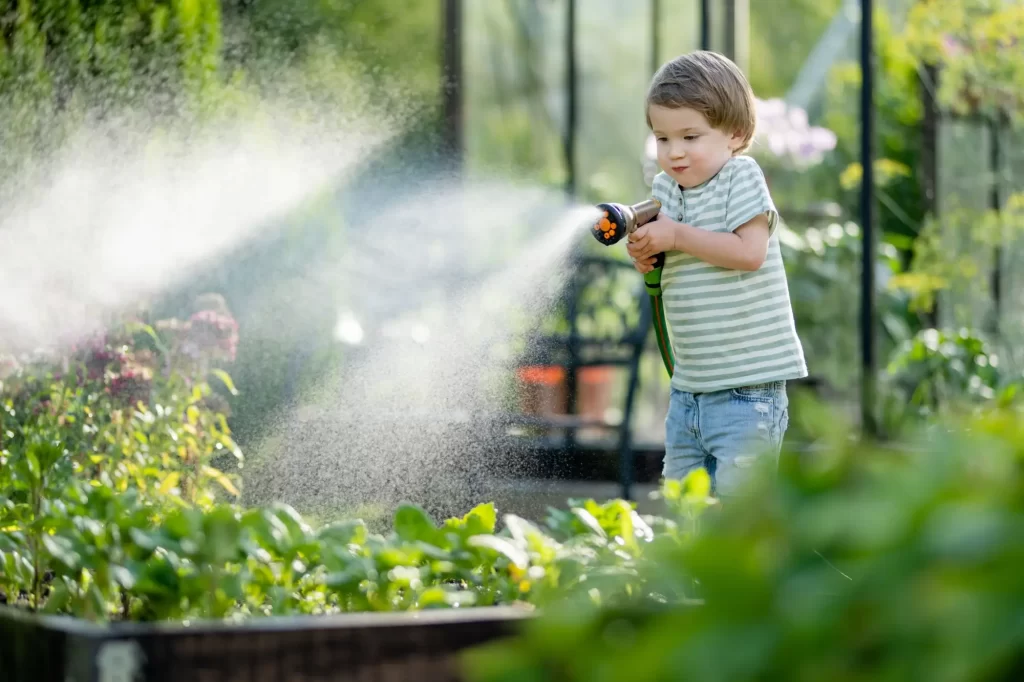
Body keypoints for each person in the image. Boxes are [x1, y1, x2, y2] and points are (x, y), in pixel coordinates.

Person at [626, 50, 807, 499]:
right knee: (685, 514)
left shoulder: (740, 177)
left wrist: (675, 237)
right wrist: (649, 252)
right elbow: (673, 252)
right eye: (662, 138)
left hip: (746, 394)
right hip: (690, 391)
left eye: (690, 136)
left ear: (736, 134)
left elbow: (749, 253)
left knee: (738, 518)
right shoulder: (665, 190)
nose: (675, 151)